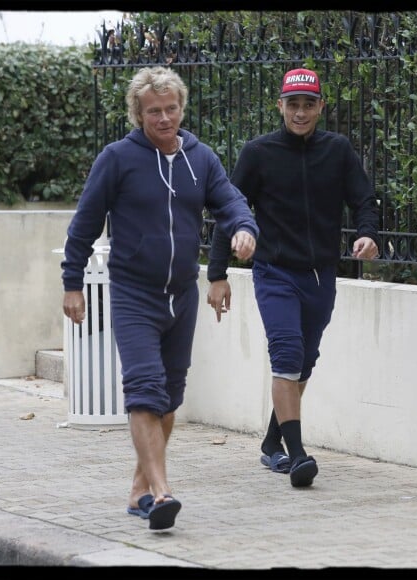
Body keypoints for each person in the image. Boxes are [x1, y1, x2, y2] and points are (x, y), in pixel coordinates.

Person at [61, 66, 258, 530]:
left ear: (181, 108)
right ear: (138, 113)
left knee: (169, 397)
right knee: (145, 391)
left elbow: (229, 202)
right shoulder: (117, 159)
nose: (164, 118)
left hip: (181, 295)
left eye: (171, 109)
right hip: (133, 293)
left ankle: (138, 491)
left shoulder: (200, 157)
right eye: (154, 111)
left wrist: (244, 228)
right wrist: (72, 283)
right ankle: (162, 492)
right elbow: (84, 226)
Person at [206, 67, 380, 488]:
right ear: (280, 105)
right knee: (286, 354)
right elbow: (229, 210)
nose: (300, 112)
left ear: (321, 106)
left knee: (304, 363)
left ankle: (272, 442)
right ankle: (297, 455)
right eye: (292, 104)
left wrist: (369, 235)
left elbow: (364, 200)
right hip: (275, 272)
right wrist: (217, 274)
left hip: (321, 276)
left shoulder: (337, 151)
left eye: (308, 104)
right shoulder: (258, 153)